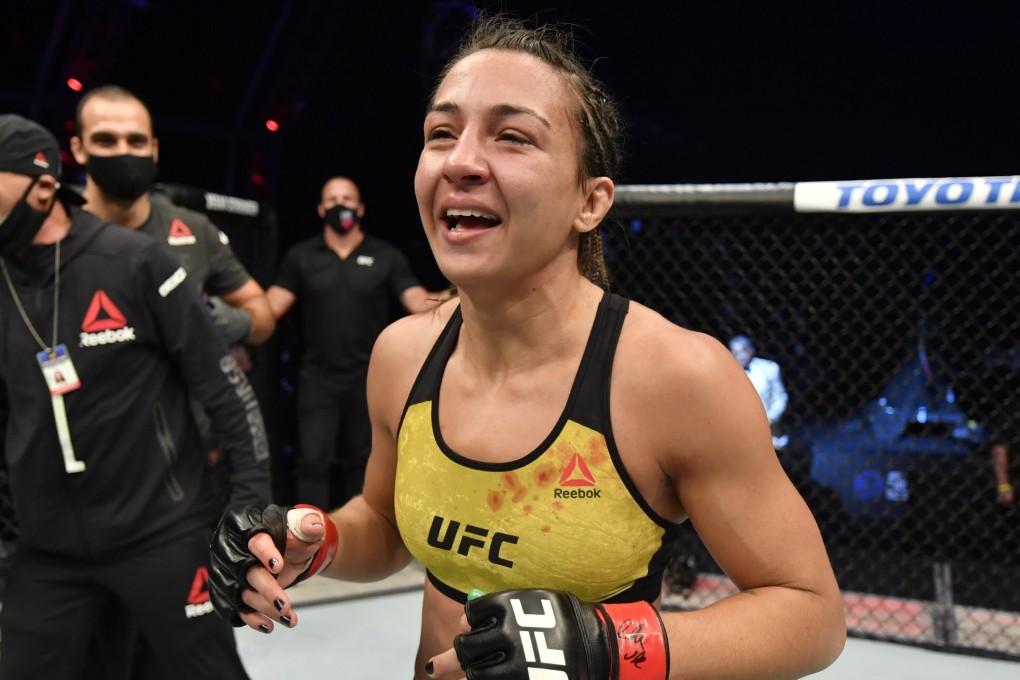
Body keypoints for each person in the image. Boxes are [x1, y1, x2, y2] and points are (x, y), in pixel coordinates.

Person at [209, 15, 846, 680]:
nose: (461, 161)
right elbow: (387, 520)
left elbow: (810, 613)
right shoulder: (403, 353)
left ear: (590, 202)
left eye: (513, 137)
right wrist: (313, 542)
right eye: (441, 134)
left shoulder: (675, 377)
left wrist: (607, 644)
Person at [0, 113, 268, 679]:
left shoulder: (133, 261)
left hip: (159, 531)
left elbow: (225, 388)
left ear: (42, 186)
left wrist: (248, 508)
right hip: (47, 551)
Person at [266, 175, 445, 508]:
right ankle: (311, 539)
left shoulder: (385, 255)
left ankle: (358, 540)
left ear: (360, 208)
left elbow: (418, 301)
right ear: (321, 209)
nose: (340, 206)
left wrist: (467, 289)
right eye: (332, 201)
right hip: (317, 376)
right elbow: (269, 308)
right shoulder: (302, 256)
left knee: (365, 460)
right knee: (313, 460)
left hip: (369, 377)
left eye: (347, 200)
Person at [70, 84, 275, 347]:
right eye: (105, 140)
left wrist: (234, 324)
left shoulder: (194, 230)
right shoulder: (53, 228)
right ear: (78, 149)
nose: (123, 152)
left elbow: (261, 312)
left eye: (136, 141)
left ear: (154, 150)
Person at [729, 333, 789, 448]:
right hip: (743, 434)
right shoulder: (728, 374)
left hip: (771, 432)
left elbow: (781, 397)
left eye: (744, 350)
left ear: (752, 349)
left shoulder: (769, 368)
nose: (741, 355)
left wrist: (771, 417)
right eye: (736, 352)